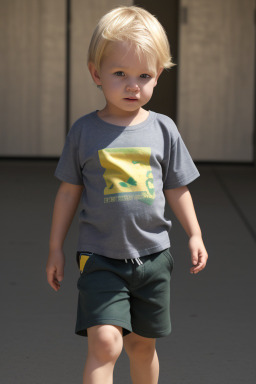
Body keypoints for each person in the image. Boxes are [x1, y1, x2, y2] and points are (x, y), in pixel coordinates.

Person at [46, 6, 208, 384]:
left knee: (142, 346)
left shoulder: (164, 129)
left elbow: (177, 186)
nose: (133, 85)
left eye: (144, 75)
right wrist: (55, 247)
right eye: (120, 74)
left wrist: (194, 233)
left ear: (158, 77)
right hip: (100, 257)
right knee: (105, 343)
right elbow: (68, 192)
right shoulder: (84, 132)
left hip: (153, 257)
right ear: (95, 74)